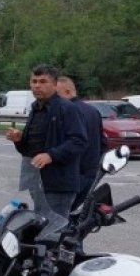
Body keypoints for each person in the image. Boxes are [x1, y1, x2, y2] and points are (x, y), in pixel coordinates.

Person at [6, 64, 87, 216]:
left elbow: (78, 141)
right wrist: (18, 140)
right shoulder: (36, 109)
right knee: (39, 226)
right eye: (34, 81)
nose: (37, 86)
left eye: (43, 81)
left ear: (55, 85)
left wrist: (51, 155)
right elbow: (30, 150)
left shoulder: (67, 108)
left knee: (52, 231)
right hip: (36, 181)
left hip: (58, 183)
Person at [56, 76, 105, 209]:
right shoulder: (93, 112)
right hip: (89, 175)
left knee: (58, 218)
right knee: (72, 216)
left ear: (67, 92)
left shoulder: (65, 111)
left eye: (57, 95)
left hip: (69, 176)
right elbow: (103, 143)